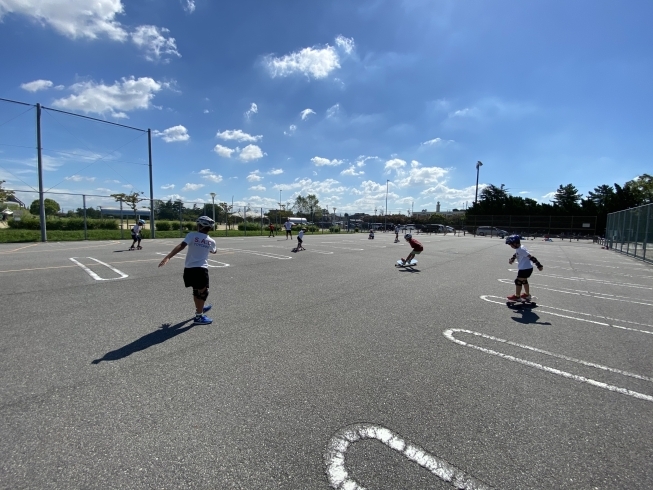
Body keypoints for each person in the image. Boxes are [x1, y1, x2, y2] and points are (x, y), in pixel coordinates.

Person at [158, 216, 217, 325]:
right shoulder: (211, 241)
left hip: (189, 268)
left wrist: (168, 257)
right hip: (201, 268)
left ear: (199, 226)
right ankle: (199, 316)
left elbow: (181, 245)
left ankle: (200, 308)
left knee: (196, 290)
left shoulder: (191, 235)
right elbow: (214, 251)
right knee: (203, 292)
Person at [505, 234, 544, 302]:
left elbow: (531, 257)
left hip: (525, 269)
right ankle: (527, 294)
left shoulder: (521, 250)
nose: (510, 246)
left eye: (511, 244)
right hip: (527, 268)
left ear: (515, 243)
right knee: (524, 281)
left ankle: (517, 296)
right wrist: (512, 259)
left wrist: (539, 265)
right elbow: (516, 254)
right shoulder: (520, 248)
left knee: (518, 281)